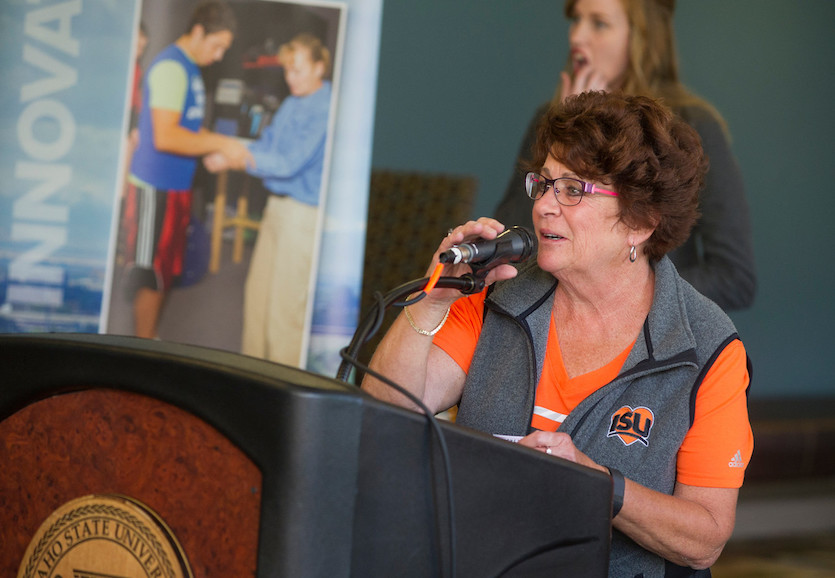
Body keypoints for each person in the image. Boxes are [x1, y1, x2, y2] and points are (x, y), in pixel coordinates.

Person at [362, 91, 753, 577]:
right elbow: (385, 412)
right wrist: (435, 299)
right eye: (544, 184)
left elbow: (705, 538)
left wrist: (600, 486)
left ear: (641, 223)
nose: (545, 205)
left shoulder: (708, 347)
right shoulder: (494, 296)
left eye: (573, 190)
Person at [494, 0, 756, 312]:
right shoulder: (551, 118)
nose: (577, 36)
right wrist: (567, 136)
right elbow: (510, 243)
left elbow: (734, 277)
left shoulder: (692, 125)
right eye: (576, 20)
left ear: (642, 38)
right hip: (544, 331)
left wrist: (625, 294)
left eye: (599, 23)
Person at [122, 1, 254, 339]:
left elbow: (188, 131)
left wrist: (209, 146)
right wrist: (219, 144)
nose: (220, 54)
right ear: (198, 32)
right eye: (217, 45)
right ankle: (142, 346)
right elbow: (166, 136)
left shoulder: (192, 68)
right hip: (155, 186)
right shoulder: (171, 67)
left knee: (166, 269)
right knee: (151, 273)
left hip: (176, 186)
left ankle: (148, 338)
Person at [204, 33, 332, 365]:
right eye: (288, 71)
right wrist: (230, 151)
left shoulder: (325, 107)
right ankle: (254, 377)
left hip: (303, 216)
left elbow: (289, 162)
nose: (291, 79)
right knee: (258, 299)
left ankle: (280, 391)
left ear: (320, 66)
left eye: (299, 70)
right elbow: (268, 147)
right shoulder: (293, 101)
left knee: (284, 312)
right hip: (277, 209)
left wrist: (237, 156)